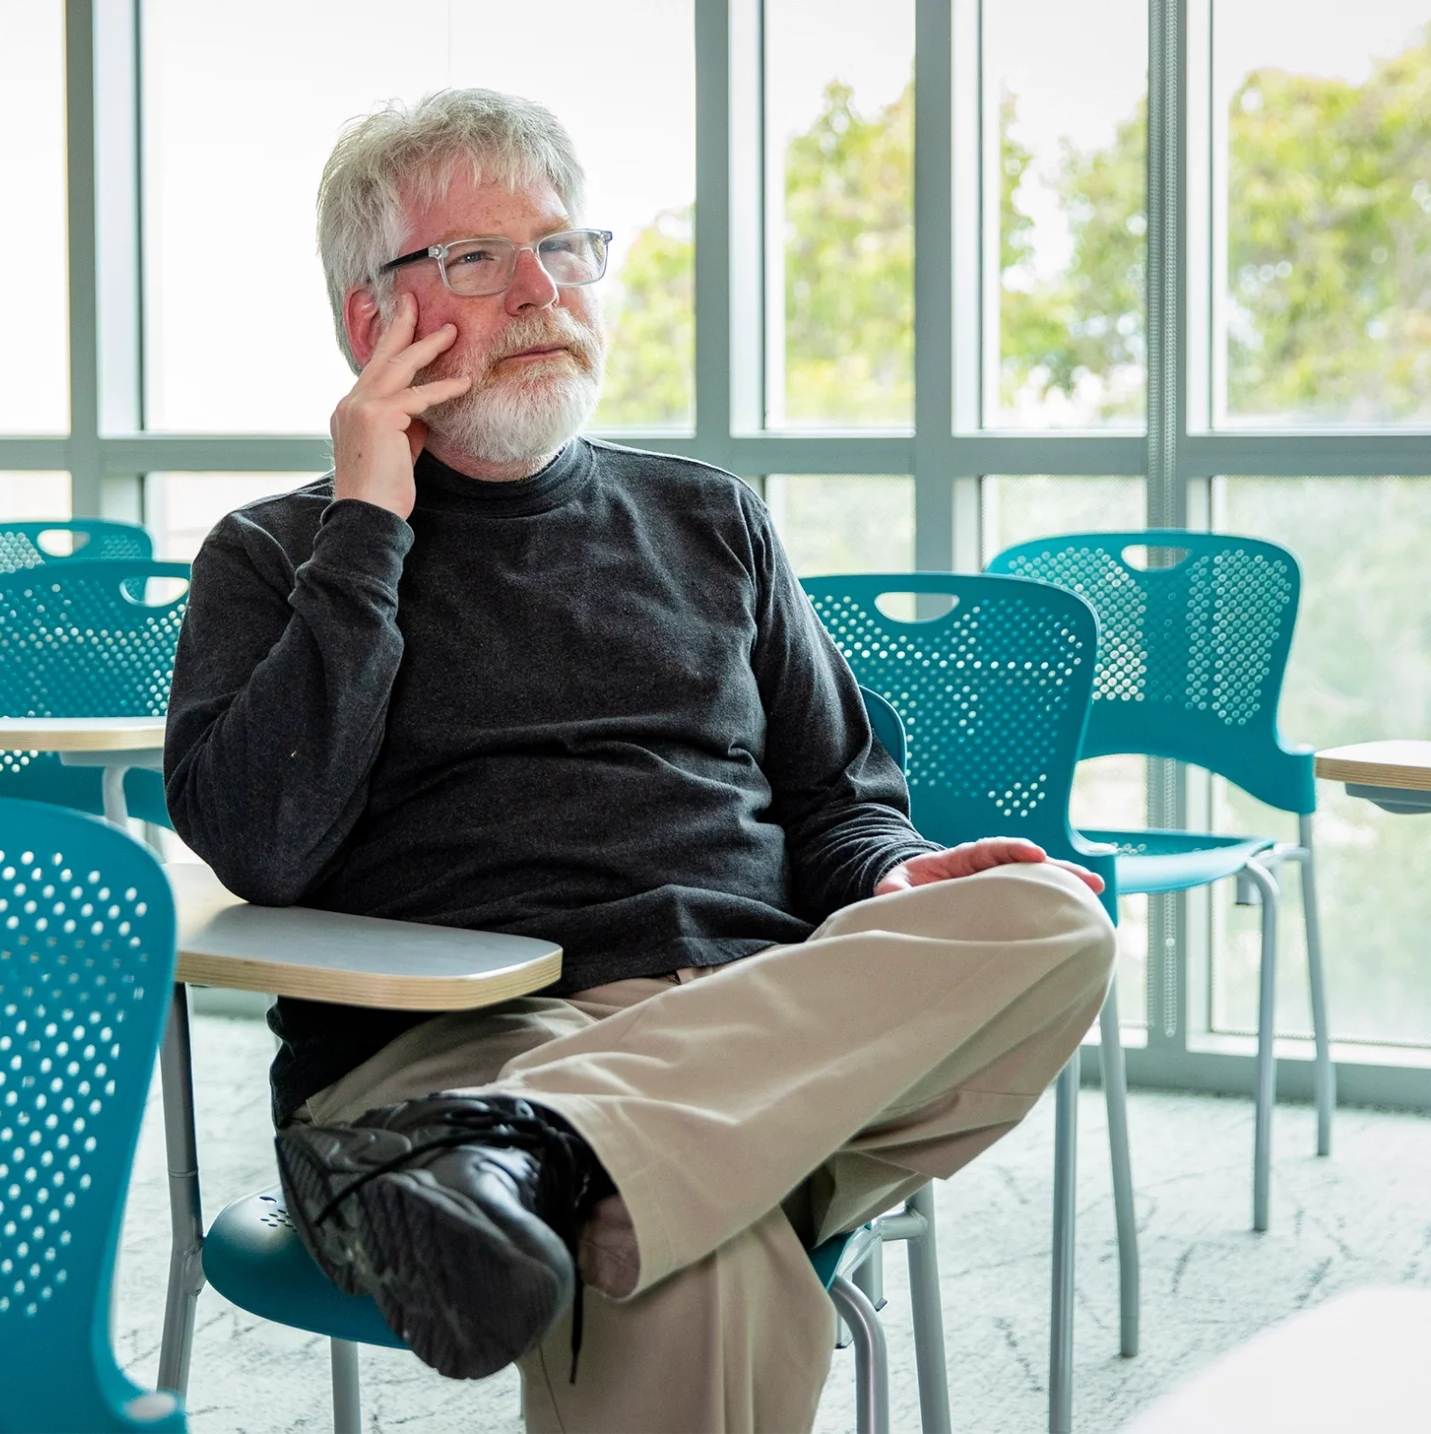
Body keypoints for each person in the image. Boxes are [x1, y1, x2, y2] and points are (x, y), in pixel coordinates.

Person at [161, 88, 1117, 1432]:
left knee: (1051, 918)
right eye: (478, 259)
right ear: (370, 323)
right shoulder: (272, 556)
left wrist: (896, 879)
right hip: (445, 1058)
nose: (544, 289)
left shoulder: (710, 516)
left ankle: (540, 1149)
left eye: (564, 247)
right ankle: (534, 1143)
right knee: (688, 1245)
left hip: (745, 1027)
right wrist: (370, 518)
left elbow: (841, 799)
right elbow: (262, 839)